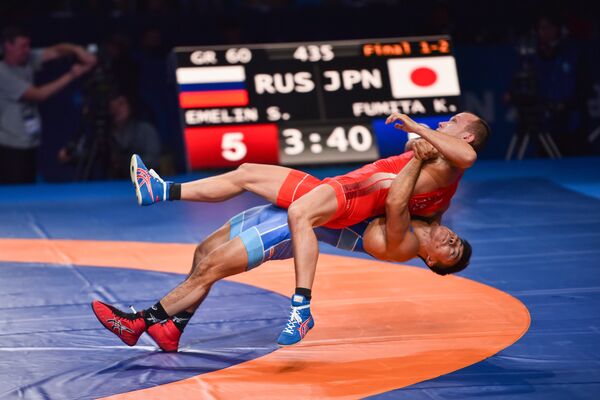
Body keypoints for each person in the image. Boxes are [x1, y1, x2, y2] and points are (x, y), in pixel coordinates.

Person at [93, 152, 471, 350]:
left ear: (431, 261)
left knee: (212, 266)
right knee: (214, 231)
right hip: (320, 197)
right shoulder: (433, 212)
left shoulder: (404, 244)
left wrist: (420, 152)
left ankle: (139, 322)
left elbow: (396, 200)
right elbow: (453, 166)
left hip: (303, 225)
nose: (452, 242)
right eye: (457, 240)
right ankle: (172, 327)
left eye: (451, 253)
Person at [131, 112, 488, 288]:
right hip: (341, 196)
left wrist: (417, 130)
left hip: (342, 210)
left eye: (455, 121)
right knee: (246, 173)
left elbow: (463, 159)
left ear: (467, 137)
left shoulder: (412, 234)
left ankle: (301, 301)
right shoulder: (437, 202)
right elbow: (424, 156)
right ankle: (163, 191)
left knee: (223, 248)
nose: (446, 121)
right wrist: (419, 143)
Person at [0, 25, 96, 183]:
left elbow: (56, 51)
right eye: (22, 46)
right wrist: (73, 74)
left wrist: (77, 50)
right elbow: (38, 95)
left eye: (28, 45)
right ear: (8, 46)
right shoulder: (2, 73)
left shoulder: (27, 58)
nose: (27, 50)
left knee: (29, 189)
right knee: (15, 191)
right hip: (10, 146)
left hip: (29, 142)